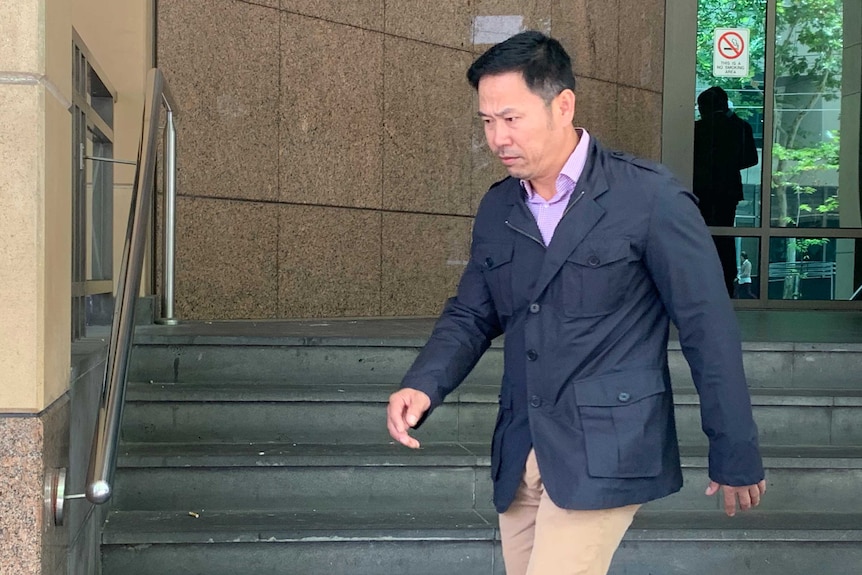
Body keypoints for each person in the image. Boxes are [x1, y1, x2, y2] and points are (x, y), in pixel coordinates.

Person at [386, 31, 765, 575]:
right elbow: (472, 312)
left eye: (511, 118)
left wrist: (735, 448)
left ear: (563, 105)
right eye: (487, 122)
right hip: (522, 446)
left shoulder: (649, 198)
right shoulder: (498, 208)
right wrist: (423, 383)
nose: (497, 138)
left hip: (607, 445)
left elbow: (708, 331)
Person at [693, 86, 759, 297]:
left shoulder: (697, 129)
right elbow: (751, 158)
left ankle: (701, 279)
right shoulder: (741, 127)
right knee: (725, 234)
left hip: (701, 188)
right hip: (728, 189)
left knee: (700, 233)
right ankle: (727, 281)